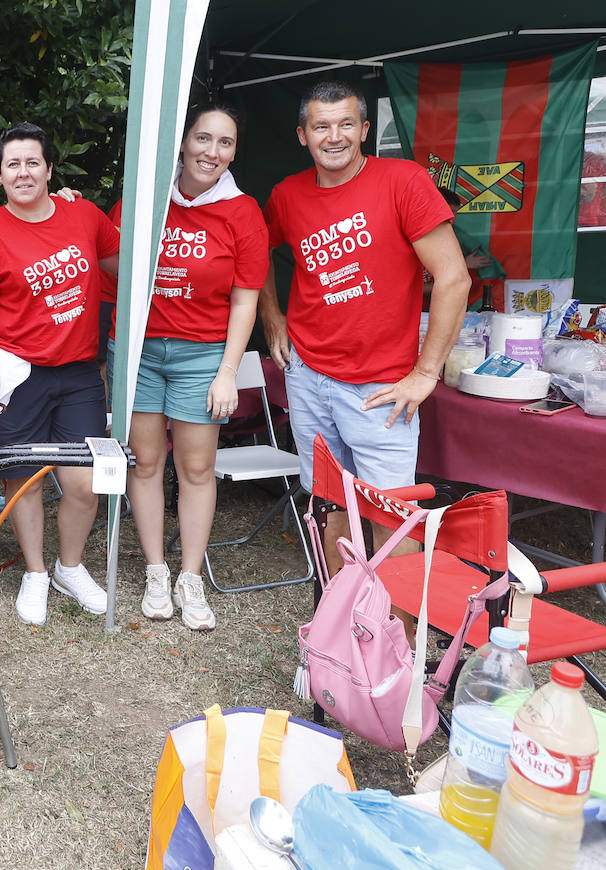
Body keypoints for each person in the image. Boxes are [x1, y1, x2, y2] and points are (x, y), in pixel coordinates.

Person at [258, 80, 469, 573]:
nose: (335, 137)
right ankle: (340, 616)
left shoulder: (404, 180)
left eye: (347, 124)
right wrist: (273, 315)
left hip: (383, 386)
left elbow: (454, 278)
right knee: (327, 503)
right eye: (321, 126)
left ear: (365, 129)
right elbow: (256, 252)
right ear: (302, 135)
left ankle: (393, 639)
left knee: (392, 513)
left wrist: (427, 372)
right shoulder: (287, 195)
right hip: (309, 376)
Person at [0, 122, 120, 626]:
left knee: (83, 482)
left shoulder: (83, 214)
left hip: (77, 373)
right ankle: (34, 572)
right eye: (13, 164)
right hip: (19, 375)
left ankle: (68, 567)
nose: (24, 172)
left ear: (51, 169)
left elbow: (123, 265)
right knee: (22, 481)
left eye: (34, 162)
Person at [120, 103, 265, 631]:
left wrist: (228, 370)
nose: (212, 152)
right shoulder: (148, 198)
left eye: (225, 143)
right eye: (203, 139)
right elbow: (106, 256)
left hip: (202, 354)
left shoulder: (242, 212)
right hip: (139, 352)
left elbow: (245, 301)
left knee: (197, 468)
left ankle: (190, 577)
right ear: (183, 143)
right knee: (146, 462)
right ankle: (156, 571)